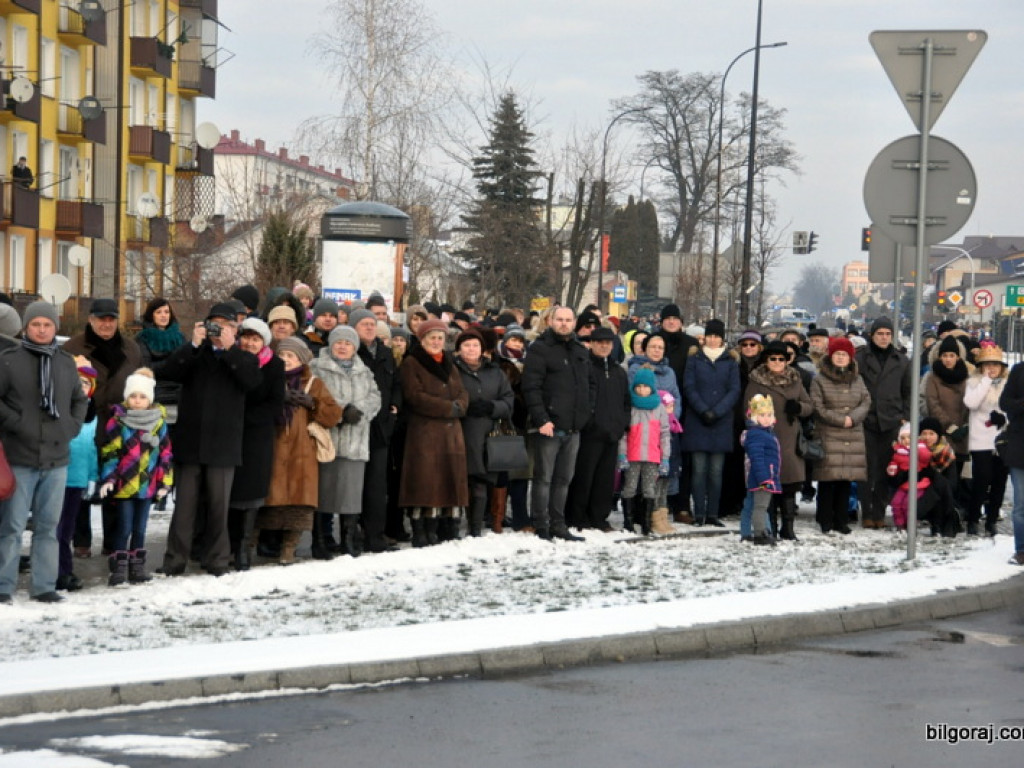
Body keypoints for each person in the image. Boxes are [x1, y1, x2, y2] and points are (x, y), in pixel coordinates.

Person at [157, 303, 261, 576]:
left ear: (235, 330)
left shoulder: (244, 357)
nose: (219, 331)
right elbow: (168, 372)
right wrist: (192, 344)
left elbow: (251, 382)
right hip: (191, 442)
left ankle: (218, 560)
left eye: (225, 326)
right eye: (214, 325)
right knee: (184, 508)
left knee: (218, 508)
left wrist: (229, 350)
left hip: (224, 445)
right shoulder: (194, 353)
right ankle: (175, 560)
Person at [0, 302, 88, 604]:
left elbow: (80, 399)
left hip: (56, 459)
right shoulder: (9, 360)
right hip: (19, 457)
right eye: (35, 324)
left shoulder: (65, 363)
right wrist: (16, 423)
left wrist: (71, 428)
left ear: (55, 327)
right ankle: (3, 585)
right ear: (26, 327)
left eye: (47, 324)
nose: (41, 329)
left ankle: (43, 585)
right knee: (11, 526)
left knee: (48, 527)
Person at [64, 298, 143, 556]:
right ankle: (81, 542)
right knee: (80, 485)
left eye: (111, 319)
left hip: (119, 428)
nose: (106, 324)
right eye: (101, 318)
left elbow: (140, 385)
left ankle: (112, 543)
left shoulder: (131, 349)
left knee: (114, 486)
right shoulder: (72, 347)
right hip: (83, 425)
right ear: (91, 319)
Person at [256, 337, 342, 565]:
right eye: (281, 356)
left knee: (299, 505)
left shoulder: (314, 383)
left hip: (302, 455)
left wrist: (313, 403)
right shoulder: (268, 378)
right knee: (267, 502)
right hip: (273, 448)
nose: (285, 360)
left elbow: (334, 415)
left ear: (301, 360)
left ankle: (289, 549)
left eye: (290, 356)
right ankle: (256, 546)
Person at [521, 305, 594, 541]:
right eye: (559, 319)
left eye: (568, 319)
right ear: (550, 320)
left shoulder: (579, 349)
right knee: (543, 478)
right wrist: (542, 418)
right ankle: (541, 524)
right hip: (548, 426)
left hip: (574, 427)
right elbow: (531, 387)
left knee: (564, 479)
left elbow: (588, 385)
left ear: (574, 322)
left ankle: (558, 524)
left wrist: (585, 413)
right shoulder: (540, 349)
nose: (564, 323)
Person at [310, 325, 381, 556]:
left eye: (348, 343)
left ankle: (348, 539)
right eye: (338, 342)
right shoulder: (316, 367)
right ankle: (320, 541)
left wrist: (359, 410)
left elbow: (375, 396)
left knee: (351, 495)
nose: (342, 346)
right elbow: (313, 397)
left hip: (355, 441)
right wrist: (339, 412)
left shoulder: (364, 370)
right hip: (326, 441)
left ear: (355, 347)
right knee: (323, 493)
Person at [398, 319, 470, 546]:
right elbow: (415, 396)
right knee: (426, 481)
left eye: (440, 338)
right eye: (432, 338)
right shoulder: (412, 363)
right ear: (422, 340)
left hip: (451, 433)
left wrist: (460, 404)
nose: (437, 342)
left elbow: (461, 391)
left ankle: (446, 527)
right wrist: (448, 408)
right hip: (425, 431)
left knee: (450, 479)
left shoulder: (449, 361)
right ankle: (423, 530)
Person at [98, 368, 173, 586]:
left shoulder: (158, 423)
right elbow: (110, 453)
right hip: (124, 484)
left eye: (142, 396)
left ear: (149, 399)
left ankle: (137, 566)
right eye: (133, 396)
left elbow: (166, 454)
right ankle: (118, 567)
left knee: (140, 528)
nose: (137, 401)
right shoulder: (119, 422)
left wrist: (164, 482)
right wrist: (109, 479)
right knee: (124, 526)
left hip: (148, 486)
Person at [226, 318, 284, 570]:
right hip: (228, 434)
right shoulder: (230, 359)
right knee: (227, 493)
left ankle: (243, 548)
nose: (250, 343)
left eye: (256, 338)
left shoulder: (274, 365)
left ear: (264, 342)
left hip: (257, 435)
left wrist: (246, 418)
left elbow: (274, 403)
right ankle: (225, 545)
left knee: (251, 494)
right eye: (247, 337)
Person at [744, 340, 813, 540]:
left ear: (787, 360)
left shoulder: (795, 380)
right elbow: (747, 410)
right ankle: (771, 525)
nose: (776, 362)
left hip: (790, 438)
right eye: (772, 358)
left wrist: (798, 408)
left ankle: (788, 527)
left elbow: (809, 405)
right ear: (766, 360)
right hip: (767, 438)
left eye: (781, 359)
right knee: (768, 482)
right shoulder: (756, 381)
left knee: (790, 483)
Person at [565, 326, 630, 532]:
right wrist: (588, 423)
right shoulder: (585, 367)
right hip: (590, 433)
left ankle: (599, 517)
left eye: (608, 343)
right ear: (591, 344)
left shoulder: (619, 372)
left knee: (605, 480)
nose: (604, 346)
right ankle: (578, 517)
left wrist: (621, 424)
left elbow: (625, 402)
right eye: (599, 342)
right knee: (584, 477)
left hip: (612, 434)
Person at [350, 308, 402, 552]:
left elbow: (396, 384)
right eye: (364, 324)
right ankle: (353, 535)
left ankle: (376, 536)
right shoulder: (350, 351)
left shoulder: (385, 353)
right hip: (356, 426)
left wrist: (395, 407)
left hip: (381, 427)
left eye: (372, 323)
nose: (370, 327)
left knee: (377, 486)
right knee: (354, 484)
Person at [454, 328, 514, 536]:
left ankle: (475, 527)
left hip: (489, 433)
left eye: (475, 345)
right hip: (460, 431)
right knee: (461, 480)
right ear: (459, 349)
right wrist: (462, 408)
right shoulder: (453, 370)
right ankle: (453, 526)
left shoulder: (494, 372)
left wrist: (491, 407)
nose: (471, 349)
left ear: (482, 349)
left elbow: (509, 401)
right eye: (466, 345)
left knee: (482, 480)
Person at [681, 319, 739, 527]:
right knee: (698, 471)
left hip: (721, 422)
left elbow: (734, 390)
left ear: (722, 338)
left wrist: (718, 411)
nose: (713, 340)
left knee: (716, 471)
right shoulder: (695, 359)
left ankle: (713, 513)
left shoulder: (730, 361)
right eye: (710, 336)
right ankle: (699, 513)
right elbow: (689, 386)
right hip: (698, 420)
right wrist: (703, 410)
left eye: (717, 336)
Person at [810, 337, 871, 534]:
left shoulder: (858, 379)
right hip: (829, 433)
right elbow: (817, 406)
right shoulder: (819, 380)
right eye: (837, 354)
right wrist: (840, 420)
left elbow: (865, 401)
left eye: (844, 354)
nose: (841, 358)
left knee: (846, 480)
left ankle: (841, 520)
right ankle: (825, 519)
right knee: (828, 479)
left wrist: (852, 419)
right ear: (830, 356)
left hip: (852, 433)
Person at [855, 318, 911, 529]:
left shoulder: (901, 360)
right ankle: (867, 511)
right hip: (866, 420)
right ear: (872, 335)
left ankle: (879, 512)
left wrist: (904, 416)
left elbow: (908, 391)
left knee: (887, 469)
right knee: (866, 470)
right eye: (880, 333)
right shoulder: (860, 358)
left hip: (891, 421)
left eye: (888, 334)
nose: (884, 337)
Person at [56, 358, 98, 591]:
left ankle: (65, 570)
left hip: (78, 480)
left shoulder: (92, 417)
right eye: (79, 381)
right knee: (55, 529)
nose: (82, 386)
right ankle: (57, 571)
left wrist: (92, 477)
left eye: (87, 383)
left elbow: (92, 451)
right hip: (56, 476)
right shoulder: (62, 407)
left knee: (68, 530)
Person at [617, 367, 671, 535]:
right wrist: (622, 454)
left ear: (652, 388)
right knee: (630, 487)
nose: (641, 390)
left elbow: (664, 433)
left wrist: (665, 458)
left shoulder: (659, 408)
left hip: (652, 456)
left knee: (649, 489)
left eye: (645, 386)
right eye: (638, 386)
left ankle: (646, 522)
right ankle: (628, 521)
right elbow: (624, 434)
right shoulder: (630, 407)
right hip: (632, 456)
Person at [963, 343, 1009, 537]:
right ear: (981, 366)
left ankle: (991, 520)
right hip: (980, 439)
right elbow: (971, 403)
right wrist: (985, 382)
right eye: (987, 364)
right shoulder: (974, 383)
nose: (992, 368)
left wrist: (1004, 419)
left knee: (999, 482)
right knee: (982, 480)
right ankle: (973, 518)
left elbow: (1014, 409)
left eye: (995, 364)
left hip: (1003, 440)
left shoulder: (1008, 385)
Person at [134, 298, 186, 430]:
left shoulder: (180, 337)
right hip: (156, 393)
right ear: (151, 315)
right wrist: (172, 363)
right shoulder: (142, 338)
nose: (164, 315)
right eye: (159, 312)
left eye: (166, 312)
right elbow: (146, 368)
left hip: (180, 394)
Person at [741, 394, 782, 546]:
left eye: (769, 415)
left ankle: (749, 532)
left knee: (753, 505)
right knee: (761, 507)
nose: (766, 418)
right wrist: (764, 478)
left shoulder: (766, 433)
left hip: (764, 476)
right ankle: (760, 533)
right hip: (763, 478)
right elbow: (757, 458)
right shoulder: (757, 434)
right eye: (762, 415)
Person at [998, 360, 1024, 565]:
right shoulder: (1019, 370)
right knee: (1020, 505)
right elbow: (1004, 402)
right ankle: (1022, 550)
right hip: (1020, 447)